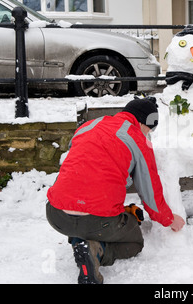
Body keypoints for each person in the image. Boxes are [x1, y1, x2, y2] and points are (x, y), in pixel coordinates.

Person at [46, 98, 185, 284]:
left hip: (56, 215)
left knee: (88, 217)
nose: (148, 135)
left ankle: (80, 239)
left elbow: (77, 167)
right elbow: (150, 192)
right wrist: (169, 219)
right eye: (150, 130)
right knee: (134, 242)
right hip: (96, 221)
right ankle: (96, 250)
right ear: (143, 123)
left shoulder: (88, 126)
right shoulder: (138, 139)